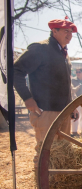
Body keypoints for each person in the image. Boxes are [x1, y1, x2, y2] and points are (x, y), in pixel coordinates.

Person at [14, 18, 78, 168]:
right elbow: (16, 71)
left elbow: (66, 84)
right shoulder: (40, 49)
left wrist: (72, 104)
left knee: (62, 153)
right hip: (46, 111)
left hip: (63, 111)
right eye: (65, 31)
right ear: (54, 31)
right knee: (45, 152)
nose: (69, 35)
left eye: (71, 32)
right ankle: (42, 187)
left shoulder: (63, 54)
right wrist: (27, 97)